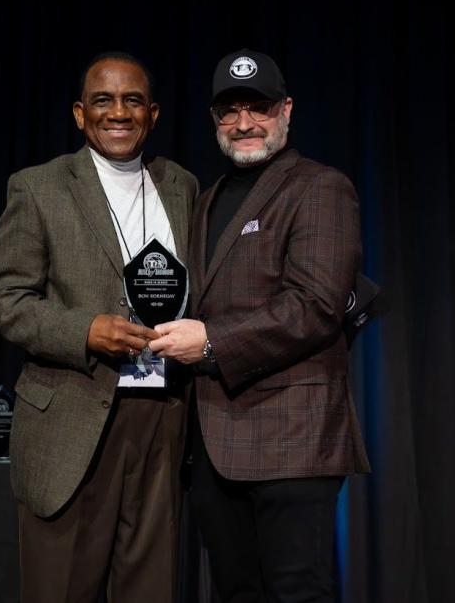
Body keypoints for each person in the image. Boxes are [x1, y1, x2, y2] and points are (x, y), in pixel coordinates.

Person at [149, 48, 371, 602]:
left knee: (298, 592)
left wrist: (210, 343)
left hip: (292, 440)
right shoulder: (206, 201)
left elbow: (317, 305)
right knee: (235, 592)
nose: (244, 123)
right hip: (214, 440)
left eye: (260, 107)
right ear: (214, 120)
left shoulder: (320, 187)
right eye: (230, 111)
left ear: (287, 110)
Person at [0, 52, 198, 603]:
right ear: (81, 114)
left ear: (153, 114)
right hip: (74, 420)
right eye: (103, 100)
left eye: (132, 101)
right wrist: (85, 330)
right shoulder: (39, 187)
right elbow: (3, 300)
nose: (117, 112)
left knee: (151, 588)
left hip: (163, 419)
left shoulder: (181, 186)